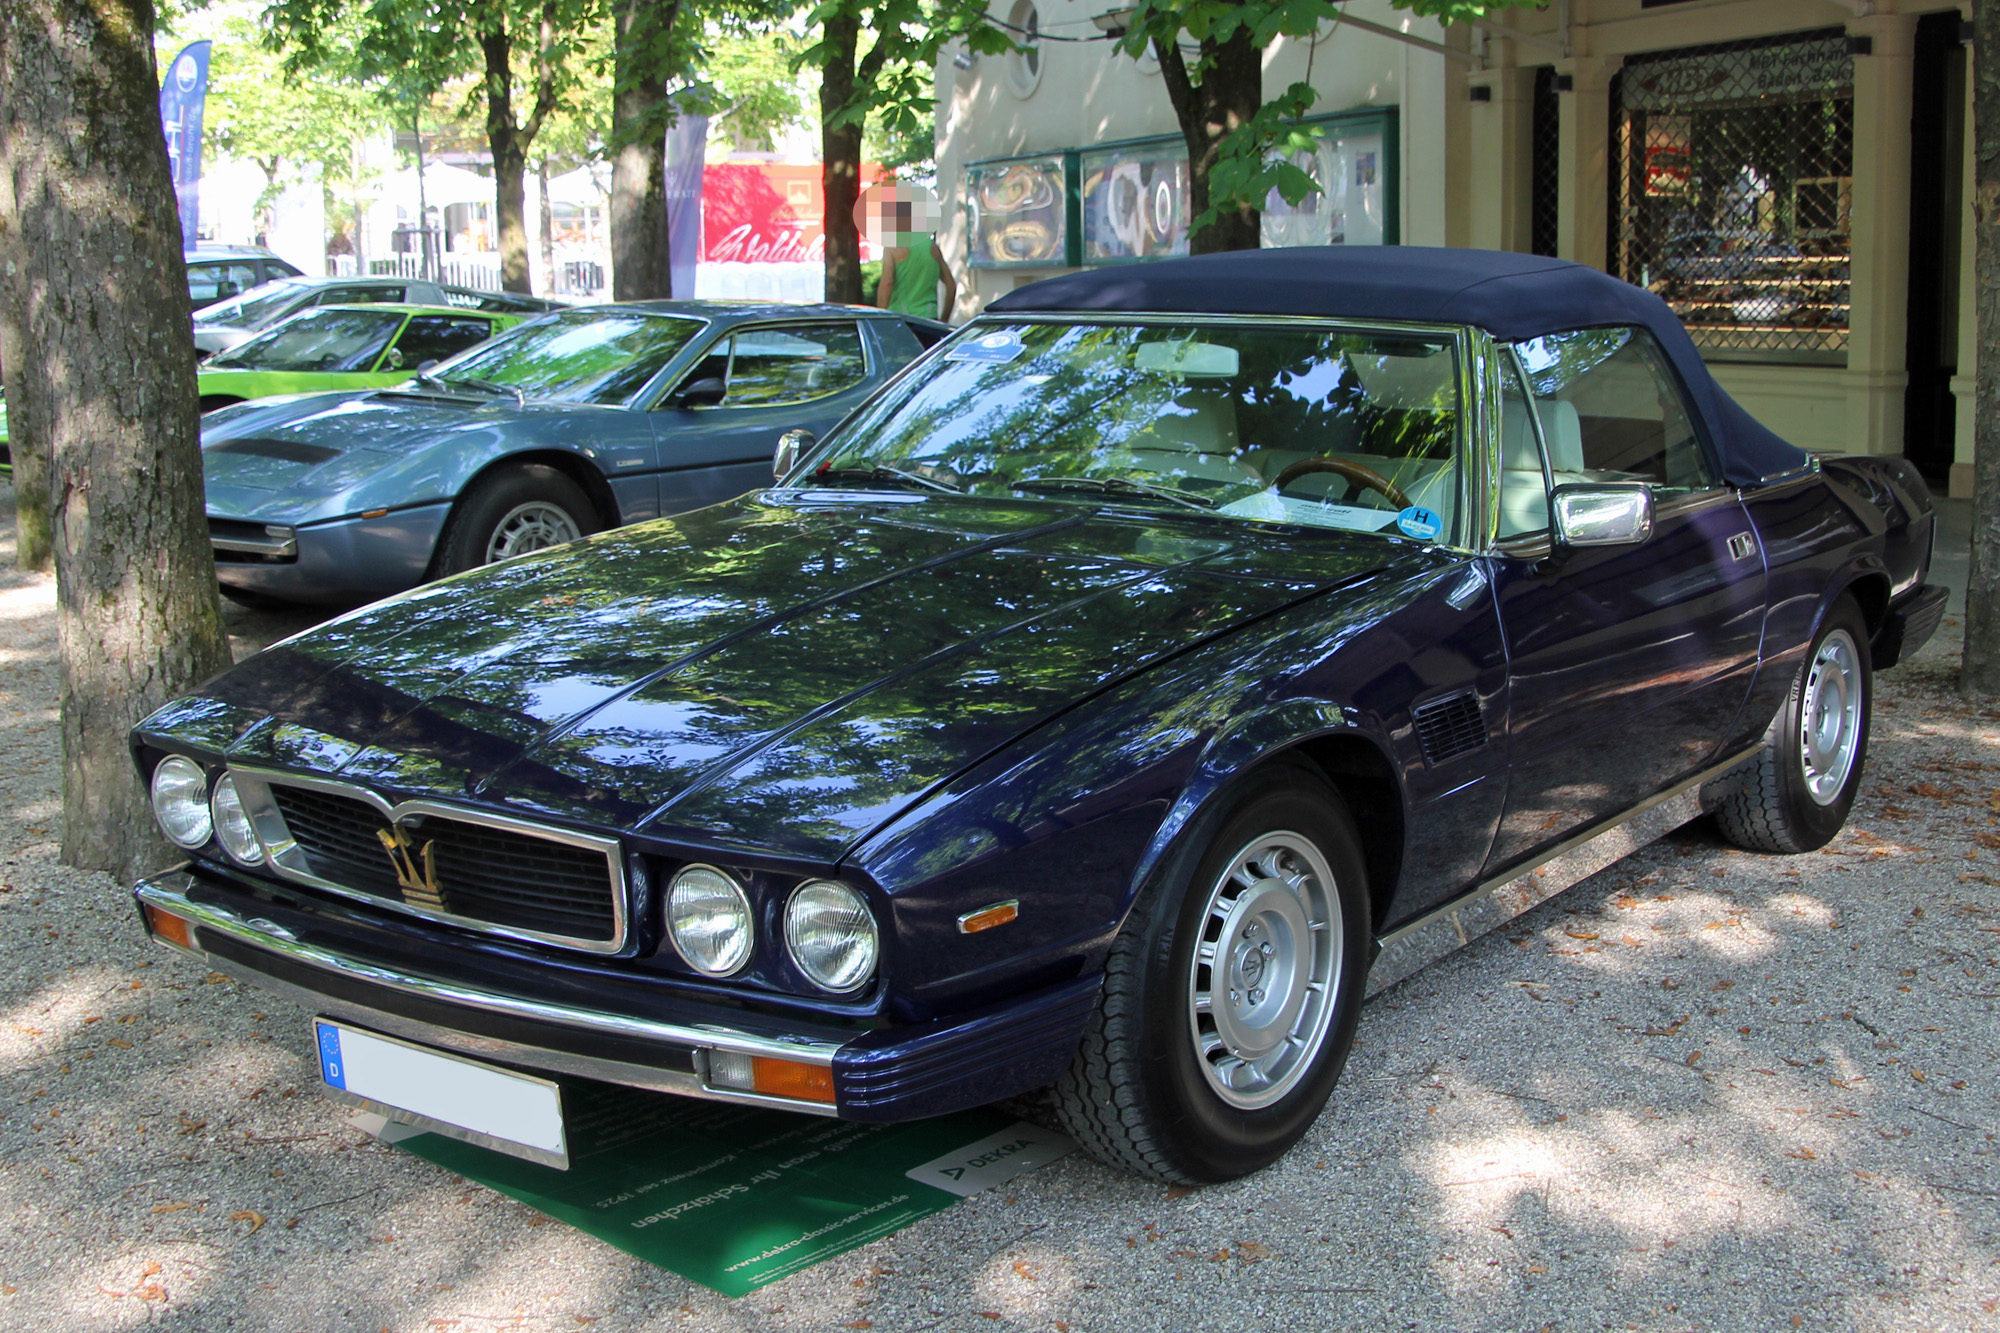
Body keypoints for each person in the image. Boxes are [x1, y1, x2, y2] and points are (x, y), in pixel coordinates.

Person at [860, 184, 958, 322]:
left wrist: (880, 318)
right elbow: (951, 286)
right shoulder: (931, 247)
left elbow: (887, 282)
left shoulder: (893, 245)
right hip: (930, 321)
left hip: (902, 321)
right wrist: (944, 320)